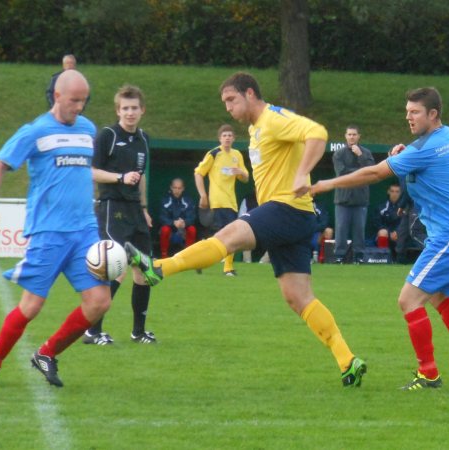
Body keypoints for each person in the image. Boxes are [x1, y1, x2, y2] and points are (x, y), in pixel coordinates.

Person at [126, 72, 367, 387]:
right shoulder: (256, 130)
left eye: (231, 99)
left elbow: (318, 133)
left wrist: (302, 174)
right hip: (293, 217)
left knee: (225, 239)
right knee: (298, 297)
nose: (227, 108)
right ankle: (347, 360)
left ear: (250, 93)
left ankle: (158, 268)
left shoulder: (273, 119)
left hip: (287, 209)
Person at [311, 87, 449, 390]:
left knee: (408, 300)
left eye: (415, 112)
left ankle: (428, 374)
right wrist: (406, 157)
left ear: (433, 114)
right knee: (435, 295)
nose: (408, 117)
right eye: (407, 112)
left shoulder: (426, 149)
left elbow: (374, 174)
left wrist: (326, 184)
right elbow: (425, 163)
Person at [0, 70, 110, 388]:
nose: (80, 106)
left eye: (84, 100)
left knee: (99, 302)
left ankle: (47, 353)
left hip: (84, 231)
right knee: (31, 306)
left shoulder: (87, 129)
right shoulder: (35, 131)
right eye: (75, 100)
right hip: (48, 232)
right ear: (57, 96)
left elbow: (81, 171)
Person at [83, 84, 156, 346]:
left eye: (134, 108)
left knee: (146, 271)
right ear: (118, 110)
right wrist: (120, 178)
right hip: (112, 208)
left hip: (135, 210)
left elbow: (142, 176)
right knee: (116, 268)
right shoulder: (108, 136)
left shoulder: (144, 139)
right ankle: (92, 331)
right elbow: (91, 171)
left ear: (142, 110)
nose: (130, 112)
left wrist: (144, 208)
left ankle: (138, 331)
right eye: (125, 108)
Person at [194, 124, 249, 276]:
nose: (227, 138)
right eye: (224, 136)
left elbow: (246, 178)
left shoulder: (237, 155)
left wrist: (241, 173)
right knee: (216, 237)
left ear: (234, 138)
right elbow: (198, 173)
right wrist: (203, 195)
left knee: (232, 236)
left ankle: (228, 268)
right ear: (220, 138)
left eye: (230, 135)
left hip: (231, 202)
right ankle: (198, 259)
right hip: (216, 202)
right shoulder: (214, 153)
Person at [332, 125, 375, 263]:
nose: (352, 137)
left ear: (359, 136)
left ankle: (359, 257)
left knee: (359, 232)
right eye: (349, 134)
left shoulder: (366, 153)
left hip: (360, 199)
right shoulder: (338, 154)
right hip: (342, 199)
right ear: (345, 136)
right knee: (341, 230)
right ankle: (339, 257)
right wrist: (359, 172)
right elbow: (342, 173)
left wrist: (360, 156)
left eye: (354, 134)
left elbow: (370, 171)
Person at [159, 178, 197, 258]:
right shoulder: (165, 200)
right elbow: (162, 217)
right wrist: (173, 223)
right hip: (170, 229)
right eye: (175, 188)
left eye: (179, 188)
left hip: (184, 229)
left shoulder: (188, 200)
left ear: (183, 188)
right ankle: (164, 255)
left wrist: (184, 223)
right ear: (171, 187)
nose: (177, 190)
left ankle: (188, 255)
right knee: (164, 229)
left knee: (192, 229)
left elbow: (192, 217)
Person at [371, 181, 401, 256]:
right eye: (392, 191)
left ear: (401, 193)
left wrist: (397, 232)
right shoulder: (381, 207)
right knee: (382, 232)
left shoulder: (405, 208)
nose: (394, 194)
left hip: (401, 235)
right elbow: (377, 223)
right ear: (388, 192)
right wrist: (389, 233)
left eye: (397, 192)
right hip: (387, 235)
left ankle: (401, 259)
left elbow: (407, 223)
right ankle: (383, 257)